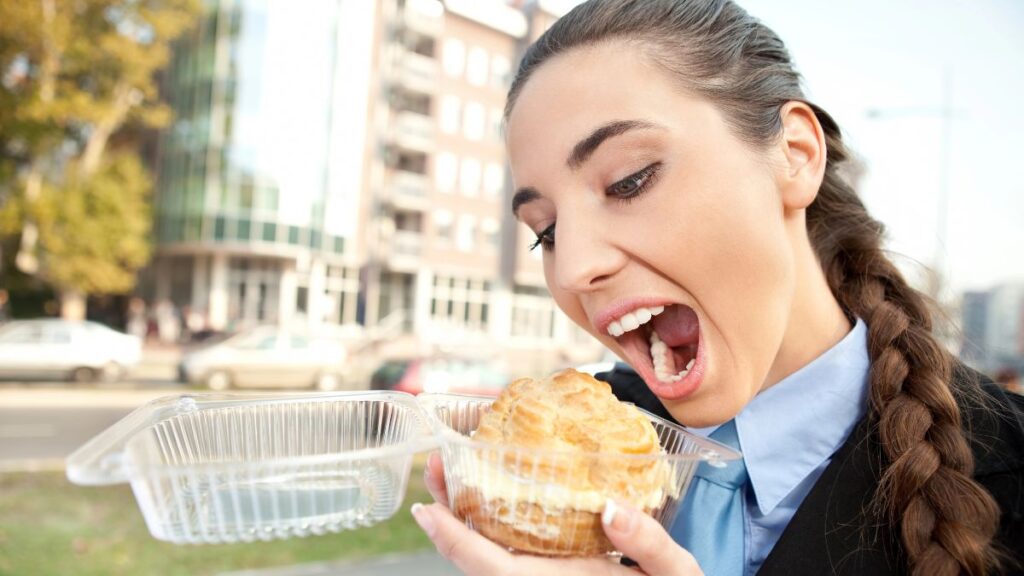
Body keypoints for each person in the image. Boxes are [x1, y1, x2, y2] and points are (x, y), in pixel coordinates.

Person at [408, 1, 1024, 575]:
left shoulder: (1007, 472)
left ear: (796, 154)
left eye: (629, 181)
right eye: (546, 232)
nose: (572, 270)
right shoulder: (553, 469)